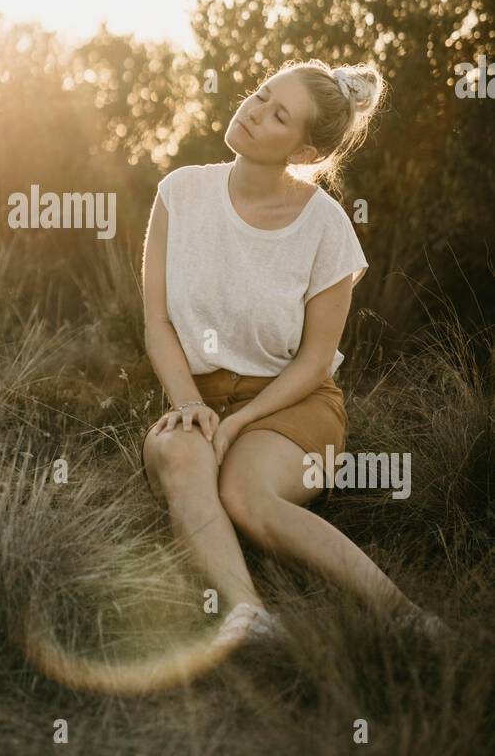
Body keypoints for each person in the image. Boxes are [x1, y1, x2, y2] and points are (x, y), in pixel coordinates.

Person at [140, 57, 450, 648]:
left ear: (304, 151)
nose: (254, 112)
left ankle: (406, 616)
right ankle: (249, 618)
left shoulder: (326, 228)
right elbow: (156, 323)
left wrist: (238, 425)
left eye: (278, 115)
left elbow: (313, 363)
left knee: (242, 493)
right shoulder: (179, 193)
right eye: (261, 95)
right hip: (197, 395)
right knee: (183, 457)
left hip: (290, 403)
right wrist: (189, 404)